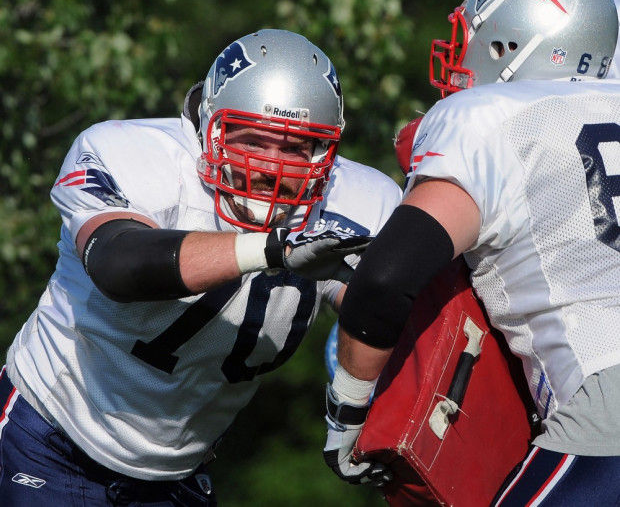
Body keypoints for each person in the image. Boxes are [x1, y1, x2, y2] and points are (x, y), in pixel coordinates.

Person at [0, 29, 402, 506]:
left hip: (176, 475)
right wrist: (273, 250)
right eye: (253, 140)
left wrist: (351, 410)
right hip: (47, 441)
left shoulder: (360, 200)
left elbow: (379, 311)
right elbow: (120, 265)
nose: (271, 167)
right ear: (210, 126)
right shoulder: (132, 153)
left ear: (327, 151)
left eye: (296, 147)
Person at [323, 0, 620, 505]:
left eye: (476, 32)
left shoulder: (486, 119)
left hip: (605, 404)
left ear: (515, 40)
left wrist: (346, 414)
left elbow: (386, 281)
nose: (462, 48)